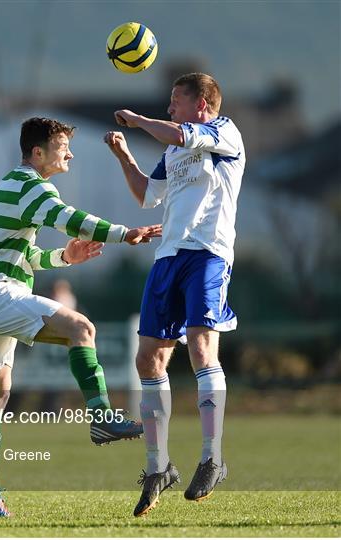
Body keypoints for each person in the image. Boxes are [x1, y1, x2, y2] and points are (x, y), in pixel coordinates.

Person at [0, 116, 161, 517]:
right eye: (62, 146)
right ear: (37, 153)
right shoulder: (30, 185)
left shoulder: (14, 186)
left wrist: (64, 257)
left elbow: (25, 256)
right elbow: (66, 218)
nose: (69, 153)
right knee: (81, 328)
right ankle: (102, 417)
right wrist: (124, 233)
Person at [104, 72, 246, 517]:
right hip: (168, 256)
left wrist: (139, 120)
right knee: (148, 359)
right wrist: (125, 155)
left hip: (207, 254)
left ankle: (212, 457)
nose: (169, 108)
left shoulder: (223, 132)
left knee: (202, 346)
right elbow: (148, 194)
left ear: (201, 104)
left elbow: (179, 131)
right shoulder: (174, 148)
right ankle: (158, 465)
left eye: (175, 101)